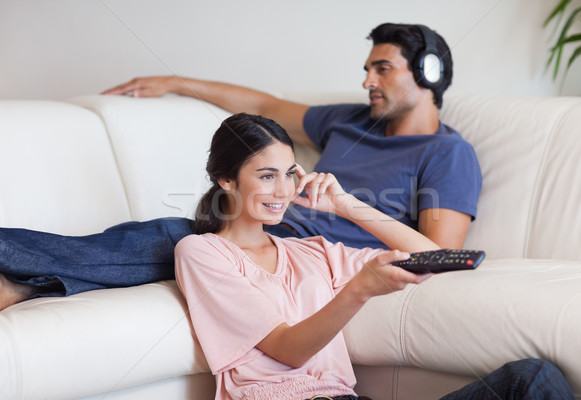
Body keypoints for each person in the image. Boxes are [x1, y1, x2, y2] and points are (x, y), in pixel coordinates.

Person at [0, 23, 481, 310]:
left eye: (382, 69)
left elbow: (438, 253)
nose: (366, 81)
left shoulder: (447, 153)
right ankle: (19, 286)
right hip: (258, 227)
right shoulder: (347, 119)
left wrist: (348, 208)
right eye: (368, 68)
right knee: (164, 240)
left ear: (428, 73)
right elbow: (262, 102)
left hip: (308, 254)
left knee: (174, 238)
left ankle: (15, 274)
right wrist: (174, 80)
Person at [174, 112, 573, 400]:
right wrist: (360, 289)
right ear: (226, 179)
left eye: (289, 173)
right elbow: (287, 348)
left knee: (533, 379)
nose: (282, 191)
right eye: (266, 176)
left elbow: (434, 255)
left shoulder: (312, 252)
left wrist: (347, 205)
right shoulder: (203, 252)